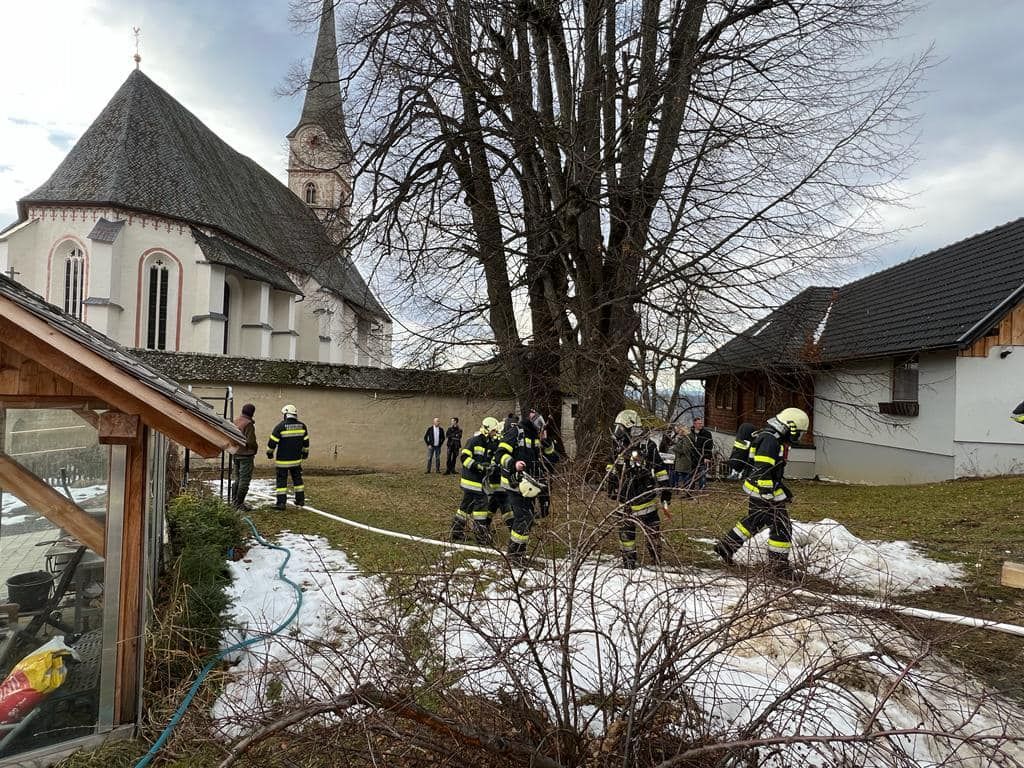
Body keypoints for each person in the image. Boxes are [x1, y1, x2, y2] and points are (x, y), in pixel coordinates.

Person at [713, 407, 809, 579]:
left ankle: (725, 547)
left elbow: (770, 471)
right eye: (799, 433)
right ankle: (778, 567)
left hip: (759, 490)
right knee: (782, 527)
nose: (798, 437)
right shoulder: (770, 440)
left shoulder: (772, 437)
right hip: (762, 492)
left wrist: (782, 490)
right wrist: (768, 494)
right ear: (790, 427)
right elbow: (762, 470)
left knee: (753, 522)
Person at [606, 409, 672, 569]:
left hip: (644, 498)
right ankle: (628, 562)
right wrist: (611, 481)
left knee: (653, 533)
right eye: (617, 428)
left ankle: (656, 560)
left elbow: (660, 470)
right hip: (624, 500)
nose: (618, 432)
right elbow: (611, 466)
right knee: (626, 536)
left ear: (631, 428)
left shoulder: (647, 446)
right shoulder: (618, 446)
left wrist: (666, 492)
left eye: (621, 428)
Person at [494, 410, 545, 564]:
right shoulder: (516, 432)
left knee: (527, 519)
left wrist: (546, 442)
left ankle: (519, 555)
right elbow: (500, 454)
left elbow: (542, 459)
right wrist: (513, 464)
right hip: (514, 483)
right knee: (523, 518)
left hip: (529, 484)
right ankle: (514, 556)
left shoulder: (534, 436)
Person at [451, 417, 501, 544]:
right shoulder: (474, 441)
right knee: (481, 507)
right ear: (487, 430)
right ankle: (481, 536)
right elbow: (464, 457)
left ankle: (456, 532)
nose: (495, 433)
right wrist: (478, 466)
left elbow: (493, 454)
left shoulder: (489, 442)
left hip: (478, 482)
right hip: (472, 481)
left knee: (465, 508)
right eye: (494, 431)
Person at [266, 404, 310, 510]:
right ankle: (300, 500)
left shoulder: (280, 427)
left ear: (286, 414)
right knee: (297, 480)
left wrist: (269, 453)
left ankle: (281, 503)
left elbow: (272, 443)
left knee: (281, 481)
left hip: (283, 462)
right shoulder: (302, 426)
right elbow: (306, 443)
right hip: (296, 461)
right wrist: (305, 454)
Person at [231, 403, 258, 510]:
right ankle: (239, 503)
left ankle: (234, 501)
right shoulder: (248, 424)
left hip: (236, 453)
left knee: (237, 478)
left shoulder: (235, 421)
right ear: (252, 413)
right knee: (244, 480)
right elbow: (251, 441)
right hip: (246, 455)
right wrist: (255, 449)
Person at [688, 416, 714, 491]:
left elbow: (709, 446)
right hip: (692, 457)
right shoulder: (691, 433)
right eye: (699, 423)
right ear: (694, 424)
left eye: (701, 423)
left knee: (702, 473)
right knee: (691, 473)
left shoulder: (706, 433)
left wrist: (707, 457)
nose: (700, 425)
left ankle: (702, 488)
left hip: (702, 456)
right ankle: (690, 488)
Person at [669, 425, 694, 490]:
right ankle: (684, 490)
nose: (677, 431)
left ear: (682, 431)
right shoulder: (682, 439)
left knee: (685, 477)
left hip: (684, 461)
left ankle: (687, 491)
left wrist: (674, 449)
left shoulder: (686, 439)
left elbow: (685, 451)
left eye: (679, 430)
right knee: (682, 477)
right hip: (680, 461)